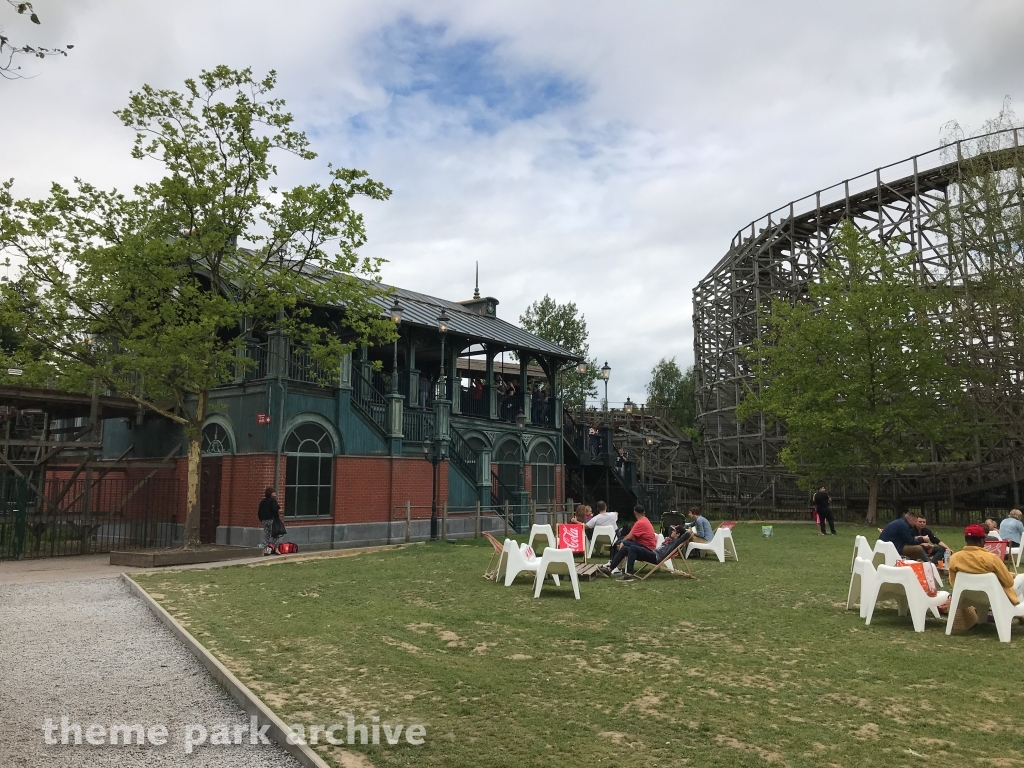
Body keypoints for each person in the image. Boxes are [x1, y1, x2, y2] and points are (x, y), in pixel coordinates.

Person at [948, 523, 1024, 631]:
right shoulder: (991, 558)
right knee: (1022, 577)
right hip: (994, 596)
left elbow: (953, 582)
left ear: (966, 539)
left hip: (967, 596)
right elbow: (1008, 582)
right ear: (982, 541)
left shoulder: (954, 558)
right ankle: (1020, 612)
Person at [598, 505, 658, 581]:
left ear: (634, 512)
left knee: (623, 543)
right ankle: (609, 569)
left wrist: (622, 542)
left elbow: (629, 537)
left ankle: (622, 571)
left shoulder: (640, 523)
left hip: (647, 550)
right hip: (645, 547)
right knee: (624, 548)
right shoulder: (645, 520)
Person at [257, 486, 283, 555]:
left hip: (264, 520)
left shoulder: (262, 501)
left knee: (266, 535)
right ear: (270, 493)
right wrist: (278, 513)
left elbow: (259, 511)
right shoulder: (273, 501)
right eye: (273, 492)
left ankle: (265, 550)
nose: (275, 493)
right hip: (272, 519)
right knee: (275, 534)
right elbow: (274, 509)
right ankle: (276, 549)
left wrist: (261, 519)